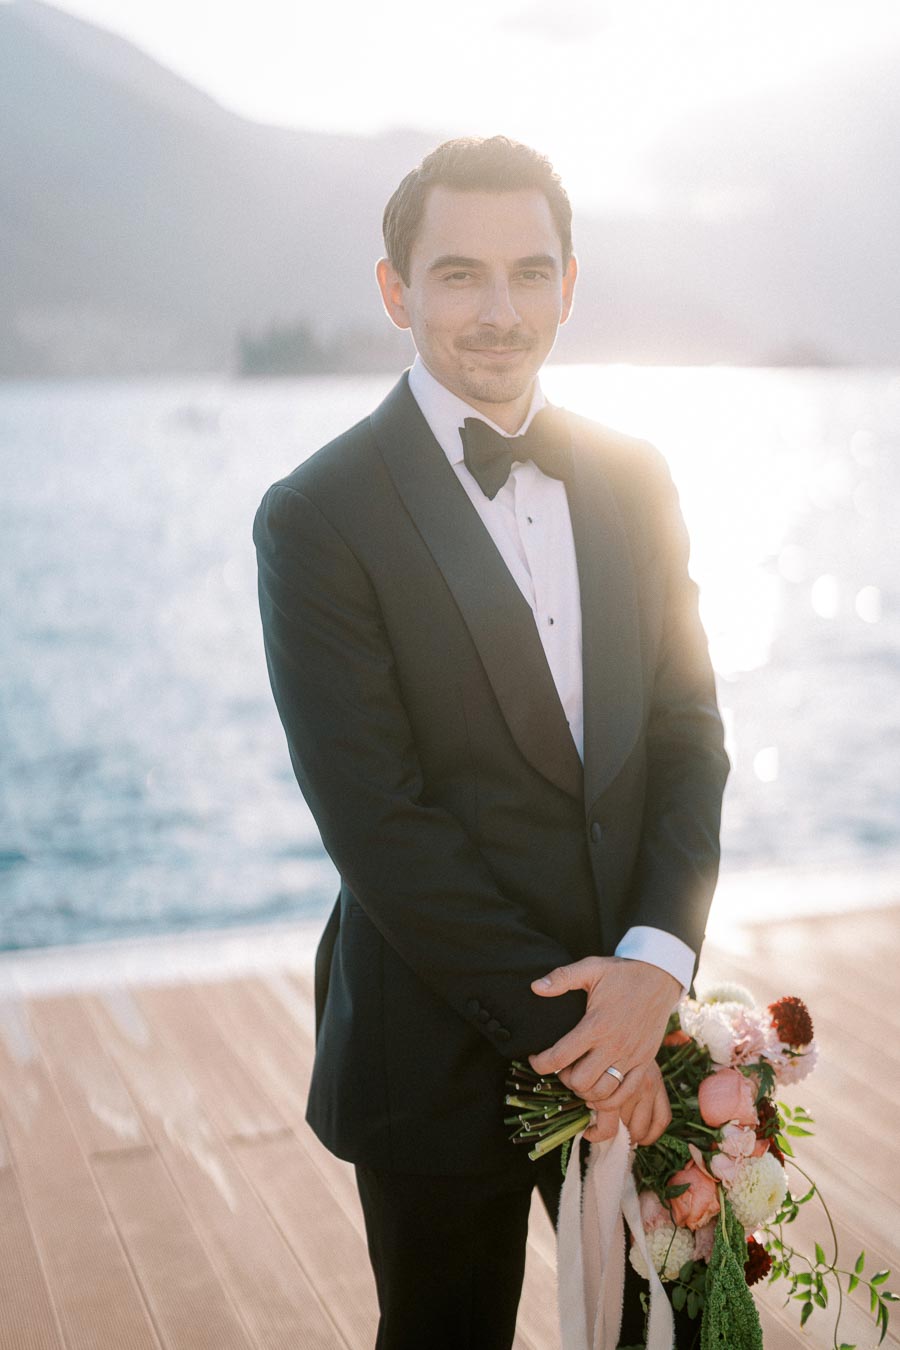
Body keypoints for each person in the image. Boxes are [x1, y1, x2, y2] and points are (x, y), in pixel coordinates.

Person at [253, 135, 730, 1350]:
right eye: (459, 273)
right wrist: (586, 1042)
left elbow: (689, 732)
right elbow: (378, 821)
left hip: (641, 1020)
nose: (499, 309)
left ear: (570, 286)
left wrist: (657, 965)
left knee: (686, 1332)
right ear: (396, 289)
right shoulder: (316, 517)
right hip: (436, 1047)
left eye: (530, 272)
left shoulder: (637, 476)